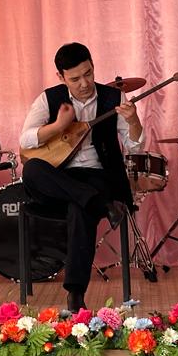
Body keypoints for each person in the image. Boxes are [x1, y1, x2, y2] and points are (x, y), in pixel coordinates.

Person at [18, 42, 144, 312]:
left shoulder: (114, 97)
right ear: (61, 77)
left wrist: (134, 120)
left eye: (88, 74)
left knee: (80, 207)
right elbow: (26, 140)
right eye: (75, 79)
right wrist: (58, 126)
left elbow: (135, 146)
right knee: (32, 170)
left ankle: (75, 294)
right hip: (58, 180)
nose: (84, 83)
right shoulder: (49, 98)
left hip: (97, 176)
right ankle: (103, 205)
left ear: (93, 67)